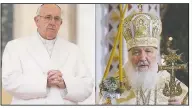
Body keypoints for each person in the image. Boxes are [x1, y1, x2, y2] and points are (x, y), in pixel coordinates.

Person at [2, 4, 93, 105]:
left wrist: (65, 83)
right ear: (37, 21)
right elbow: (9, 82)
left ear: (61, 23)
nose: (52, 22)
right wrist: (44, 82)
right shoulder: (15, 46)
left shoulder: (74, 50)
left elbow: (87, 86)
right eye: (48, 17)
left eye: (56, 18)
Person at [99, 9, 188, 105]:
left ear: (156, 54)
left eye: (148, 51)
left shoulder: (172, 85)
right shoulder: (113, 85)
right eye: (136, 52)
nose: (142, 57)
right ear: (129, 55)